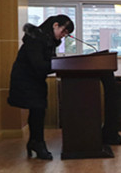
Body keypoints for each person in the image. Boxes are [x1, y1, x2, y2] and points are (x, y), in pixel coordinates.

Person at [8, 15, 74, 160]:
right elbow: (38, 64)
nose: (63, 36)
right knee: (38, 109)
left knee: (38, 111)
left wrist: (58, 64)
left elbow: (47, 63)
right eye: (63, 31)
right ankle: (37, 143)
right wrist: (59, 64)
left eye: (66, 34)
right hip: (25, 79)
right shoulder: (36, 39)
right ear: (55, 25)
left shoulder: (48, 40)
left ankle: (35, 142)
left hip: (35, 79)